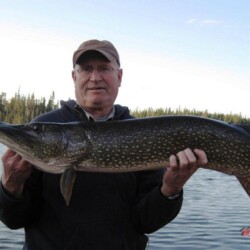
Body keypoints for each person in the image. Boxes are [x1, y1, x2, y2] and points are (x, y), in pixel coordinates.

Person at [0, 39, 208, 250]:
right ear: (74, 77)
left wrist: (170, 189)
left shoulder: (144, 135)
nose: (95, 77)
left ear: (119, 76)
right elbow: (14, 220)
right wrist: (10, 187)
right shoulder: (43, 128)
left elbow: (146, 221)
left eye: (104, 68)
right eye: (86, 69)